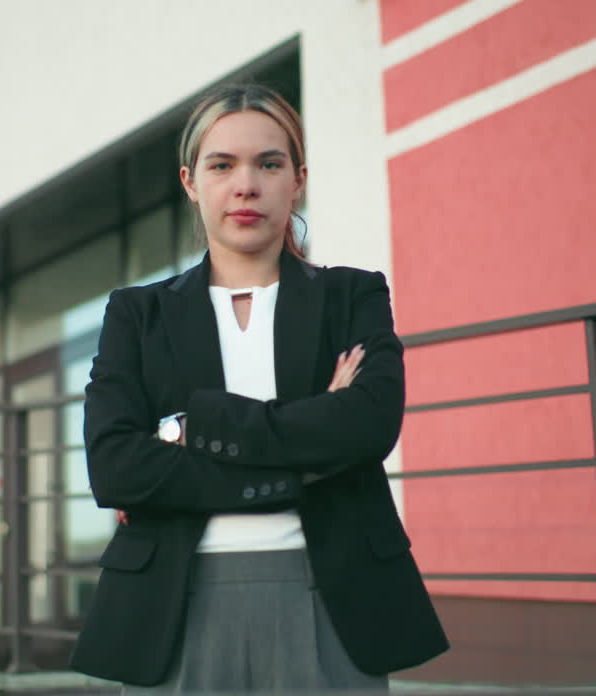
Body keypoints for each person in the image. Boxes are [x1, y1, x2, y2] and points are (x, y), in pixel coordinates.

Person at [70, 84, 447, 692]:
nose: (246, 185)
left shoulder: (351, 297)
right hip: (173, 602)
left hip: (333, 595)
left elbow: (368, 425)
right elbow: (115, 467)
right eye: (223, 165)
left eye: (268, 164)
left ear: (297, 179)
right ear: (192, 181)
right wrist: (306, 452)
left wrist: (191, 431)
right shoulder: (137, 315)